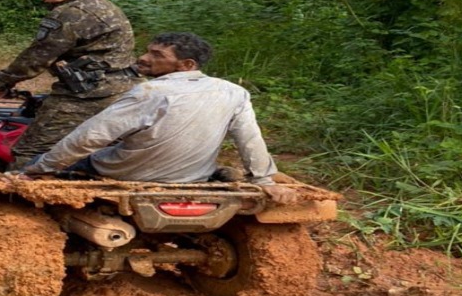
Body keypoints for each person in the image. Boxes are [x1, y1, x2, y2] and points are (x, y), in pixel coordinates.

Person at [22, 32, 278, 185]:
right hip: (193, 176)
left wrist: (39, 168)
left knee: (39, 162)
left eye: (157, 55)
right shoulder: (234, 92)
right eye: (147, 52)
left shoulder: (150, 91)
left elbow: (90, 137)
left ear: (186, 64)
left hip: (130, 173)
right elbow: (250, 140)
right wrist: (263, 180)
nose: (144, 58)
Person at [0, 0, 136, 167]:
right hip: (123, 88)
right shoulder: (96, 4)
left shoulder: (71, 12)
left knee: (28, 149)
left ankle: (11, 197)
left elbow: (35, 58)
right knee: (103, 146)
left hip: (89, 94)